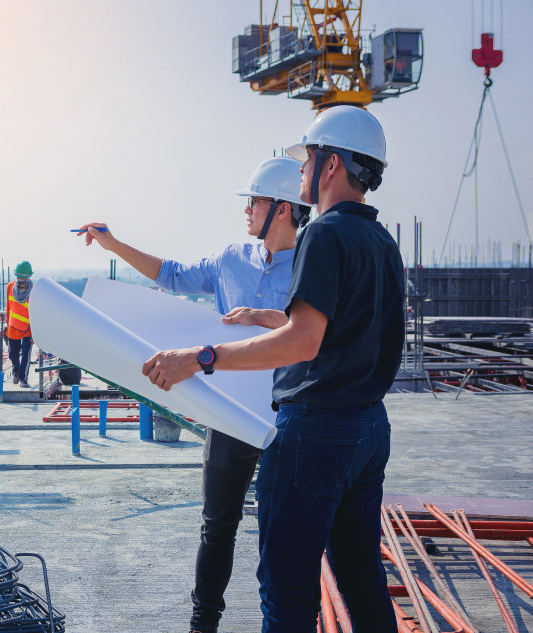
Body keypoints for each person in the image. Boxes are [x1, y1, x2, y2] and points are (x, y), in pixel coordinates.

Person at [142, 106, 402, 633]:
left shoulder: (323, 235)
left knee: (285, 593)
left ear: (332, 164)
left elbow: (304, 342)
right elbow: (346, 329)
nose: (303, 170)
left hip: (316, 433)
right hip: (369, 428)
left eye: (307, 158)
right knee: (362, 581)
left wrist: (201, 357)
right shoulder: (382, 242)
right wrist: (272, 316)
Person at [77, 156, 311, 633]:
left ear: (282, 209)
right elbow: (172, 274)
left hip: (291, 415)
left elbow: (322, 336)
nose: (247, 209)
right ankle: (203, 624)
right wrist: (113, 243)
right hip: (231, 414)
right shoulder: (231, 260)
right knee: (217, 526)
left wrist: (269, 320)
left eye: (255, 201)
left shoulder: (313, 265)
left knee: (282, 532)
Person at [4, 261, 35, 388]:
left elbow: (35, 312)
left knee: (26, 354)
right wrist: (6, 324)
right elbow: (8, 307)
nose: (20, 279)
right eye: (19, 276)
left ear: (28, 277)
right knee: (12, 354)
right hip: (13, 327)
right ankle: (16, 370)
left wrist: (34, 332)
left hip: (28, 328)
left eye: (23, 277)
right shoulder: (10, 287)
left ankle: (23, 379)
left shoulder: (33, 290)